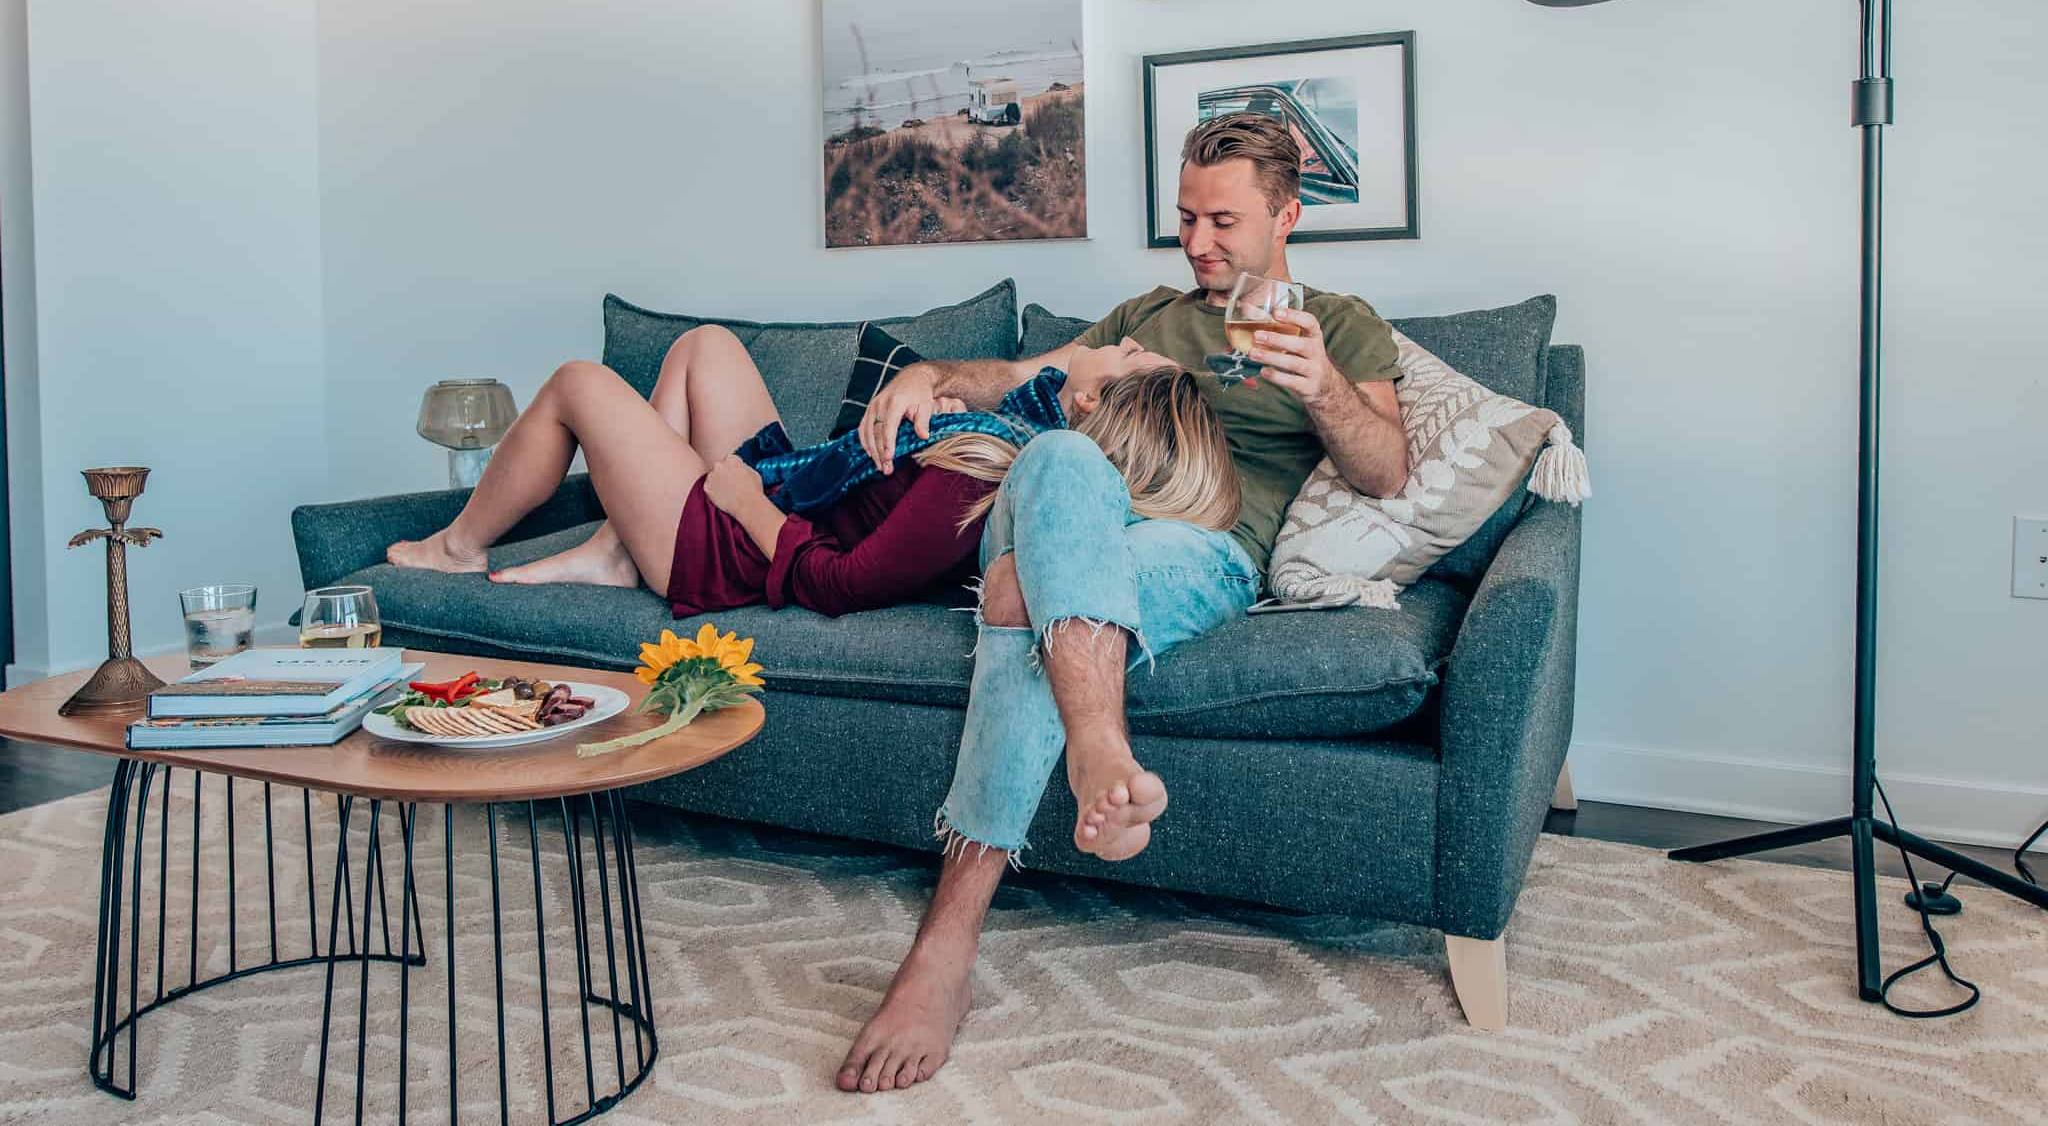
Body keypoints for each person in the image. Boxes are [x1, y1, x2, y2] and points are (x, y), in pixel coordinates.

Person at [833, 111, 1412, 1094]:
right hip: (1074, 512)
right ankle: (1099, 746)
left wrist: (1322, 389)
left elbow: (1386, 467)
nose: (1196, 243)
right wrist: (928, 373)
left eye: (1221, 221)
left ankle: (941, 950)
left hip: (1201, 548)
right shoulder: (1144, 314)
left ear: (1285, 213)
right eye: (1184, 217)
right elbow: (1012, 377)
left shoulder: (1341, 322)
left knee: (1020, 591)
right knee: (1058, 449)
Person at [383, 326, 1198, 624]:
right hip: (784, 483)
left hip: (733, 548)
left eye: (1127, 352)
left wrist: (740, 501)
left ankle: (459, 545)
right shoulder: (1022, 418)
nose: (1117, 337)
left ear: (1089, 397)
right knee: (706, 346)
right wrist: (924, 386)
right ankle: (616, 547)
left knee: (576, 383)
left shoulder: (982, 472)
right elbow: (1027, 379)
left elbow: (839, 582)